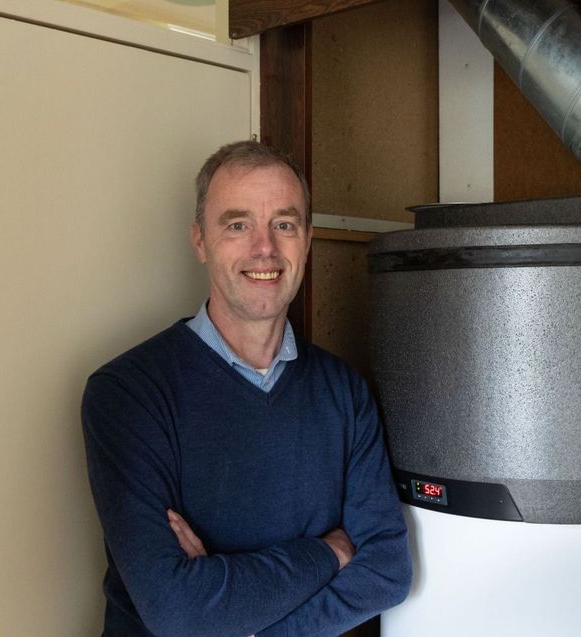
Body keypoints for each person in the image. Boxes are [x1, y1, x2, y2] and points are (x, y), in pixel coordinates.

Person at [81, 141, 412, 637]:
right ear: (199, 241)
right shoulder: (128, 395)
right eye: (238, 225)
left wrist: (239, 617)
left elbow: (387, 572)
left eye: (284, 224)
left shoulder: (344, 392)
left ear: (307, 240)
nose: (265, 248)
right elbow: (178, 611)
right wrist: (332, 550)